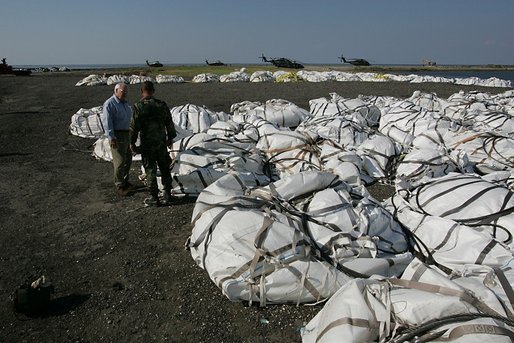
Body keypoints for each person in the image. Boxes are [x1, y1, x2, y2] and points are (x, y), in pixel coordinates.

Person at [130, 81, 176, 206]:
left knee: (150, 170)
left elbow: (134, 127)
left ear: (141, 91)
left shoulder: (139, 106)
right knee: (164, 168)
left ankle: (154, 197)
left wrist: (132, 143)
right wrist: (170, 137)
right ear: (153, 91)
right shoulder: (161, 105)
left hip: (147, 145)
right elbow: (169, 123)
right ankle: (167, 193)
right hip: (161, 142)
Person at [102, 82, 133, 196]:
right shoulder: (110, 104)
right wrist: (111, 137)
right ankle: (119, 184)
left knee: (128, 159)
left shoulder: (124, 103)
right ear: (116, 91)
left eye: (126, 92)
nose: (125, 94)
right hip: (117, 135)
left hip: (126, 133)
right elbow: (107, 122)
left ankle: (125, 180)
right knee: (119, 161)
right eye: (122, 92)